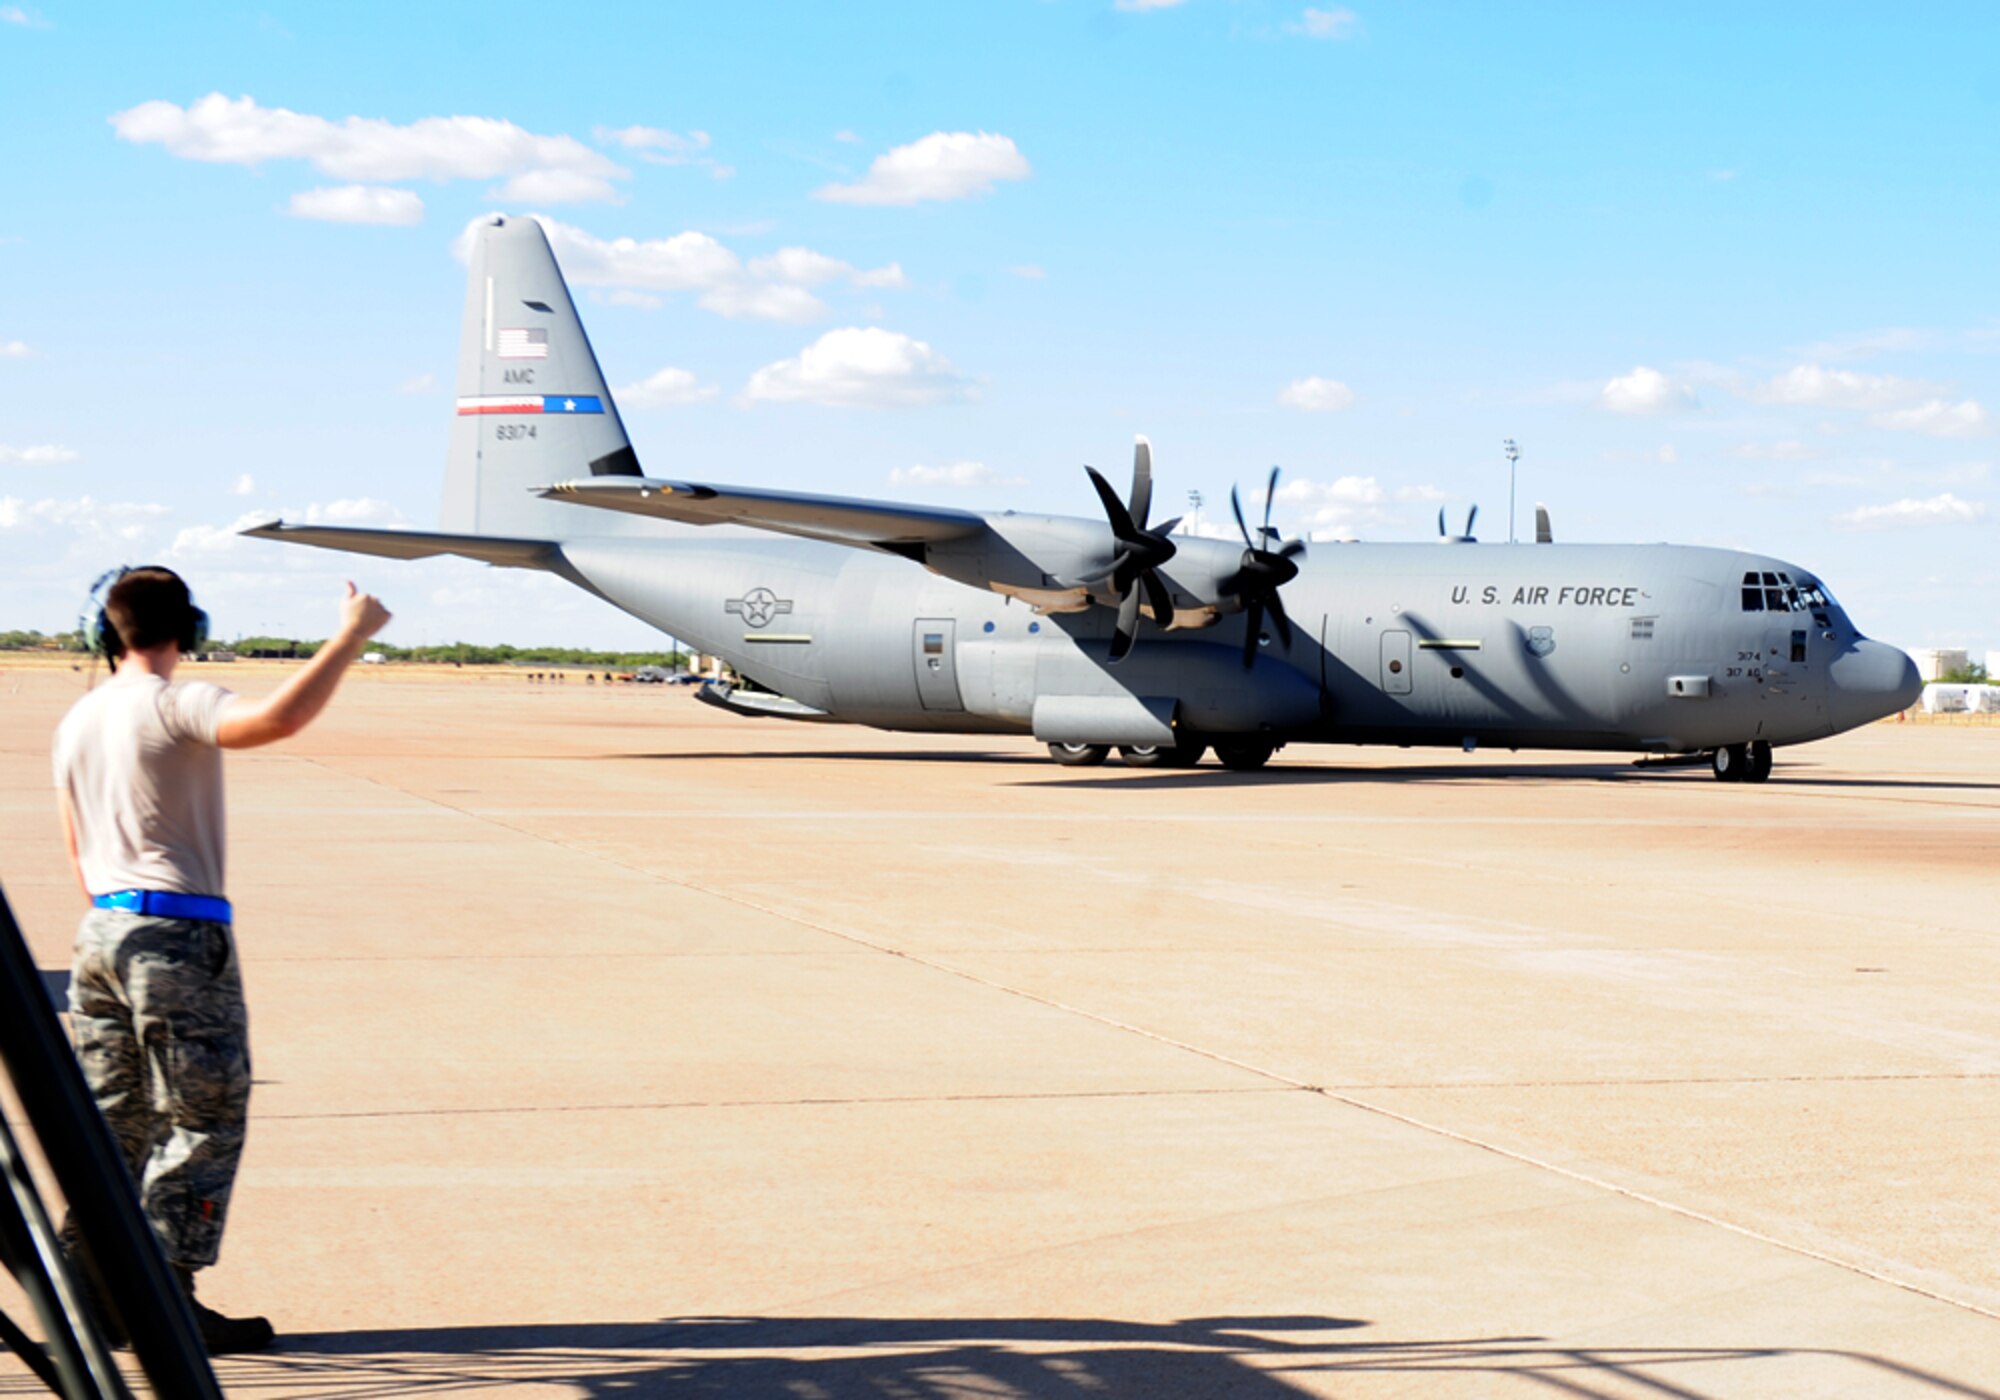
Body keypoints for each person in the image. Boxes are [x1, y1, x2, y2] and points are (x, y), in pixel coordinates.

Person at [52, 568, 390, 1353]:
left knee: (115, 1121)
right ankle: (165, 1299)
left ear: (107, 634)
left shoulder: (80, 718)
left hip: (99, 932)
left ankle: (83, 1287)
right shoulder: (177, 701)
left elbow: (76, 849)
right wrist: (349, 636)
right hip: (174, 935)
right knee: (201, 1121)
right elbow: (275, 720)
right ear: (189, 629)